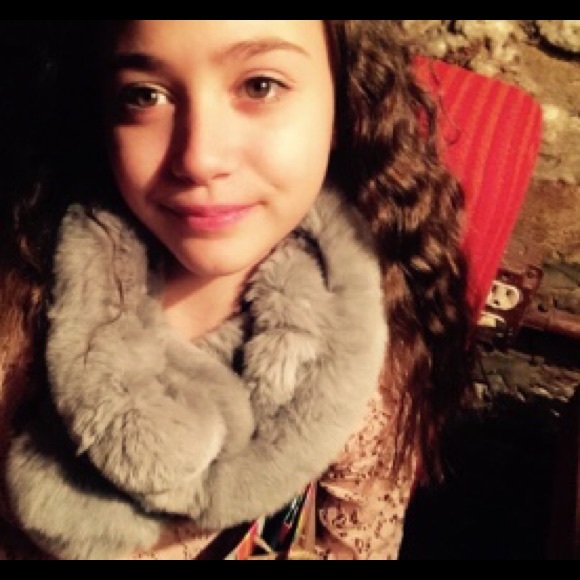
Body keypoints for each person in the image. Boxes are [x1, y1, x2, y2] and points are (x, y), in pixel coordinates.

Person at [0, 20, 475, 560]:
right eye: (144, 95)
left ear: (346, 105)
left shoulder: (376, 353)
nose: (199, 159)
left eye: (260, 86)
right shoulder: (23, 293)